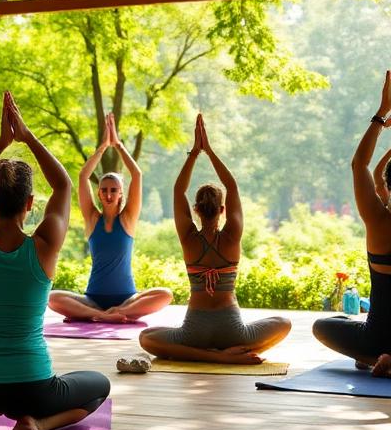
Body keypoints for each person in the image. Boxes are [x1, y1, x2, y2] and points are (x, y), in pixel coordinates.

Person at [0, 92, 110, 430]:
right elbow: (64, 184)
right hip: (32, 388)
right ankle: (37, 424)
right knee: (99, 386)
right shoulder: (44, 246)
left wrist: (1, 143)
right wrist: (26, 136)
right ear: (31, 203)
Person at [139, 114, 291, 364]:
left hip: (194, 332)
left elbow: (178, 190)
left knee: (146, 338)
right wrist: (209, 150)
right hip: (233, 332)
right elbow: (232, 186)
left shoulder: (189, 239)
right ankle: (226, 354)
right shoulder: (232, 237)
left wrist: (194, 153)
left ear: (196, 210)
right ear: (222, 210)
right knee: (283, 323)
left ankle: (209, 356)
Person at [49, 113, 172, 322]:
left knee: (165, 294)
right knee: (52, 298)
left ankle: (114, 313)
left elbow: (137, 174)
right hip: (93, 299)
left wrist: (118, 145)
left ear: (121, 193)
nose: (108, 194)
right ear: (98, 193)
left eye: (114, 190)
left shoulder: (128, 219)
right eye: (104, 190)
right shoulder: (91, 219)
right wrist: (104, 146)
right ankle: (103, 315)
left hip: (127, 299)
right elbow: (83, 177)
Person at [313, 71, 391, 376]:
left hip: (375, 338)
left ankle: (375, 358)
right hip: (377, 338)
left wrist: (381, 112)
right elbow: (374, 176)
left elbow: (361, 165)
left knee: (324, 326)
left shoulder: (378, 221)